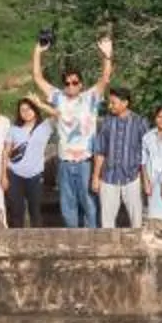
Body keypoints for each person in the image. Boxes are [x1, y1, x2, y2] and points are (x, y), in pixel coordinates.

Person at [31, 32, 111, 227]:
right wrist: (38, 52)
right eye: (67, 83)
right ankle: (72, 237)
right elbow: (38, 78)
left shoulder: (90, 98)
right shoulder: (58, 97)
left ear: (81, 84)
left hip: (85, 162)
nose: (70, 86)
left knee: (89, 203)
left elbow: (105, 78)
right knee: (67, 205)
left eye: (75, 82)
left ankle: (92, 238)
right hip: (65, 161)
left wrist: (107, 56)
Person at [89, 87, 146, 229]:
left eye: (113, 103)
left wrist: (144, 178)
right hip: (109, 177)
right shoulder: (106, 122)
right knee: (107, 221)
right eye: (110, 103)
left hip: (132, 177)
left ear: (125, 103)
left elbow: (146, 152)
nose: (110, 106)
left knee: (136, 220)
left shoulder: (140, 122)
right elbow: (100, 151)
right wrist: (96, 177)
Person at [4, 98, 55, 227]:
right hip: (14, 174)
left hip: (35, 175)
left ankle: (36, 238)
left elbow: (60, 115)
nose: (26, 112)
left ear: (35, 110)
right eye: (23, 110)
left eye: (29, 109)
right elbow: (6, 152)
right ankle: (17, 237)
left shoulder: (46, 126)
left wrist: (40, 104)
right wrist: (3, 175)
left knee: (35, 211)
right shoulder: (14, 129)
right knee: (16, 211)